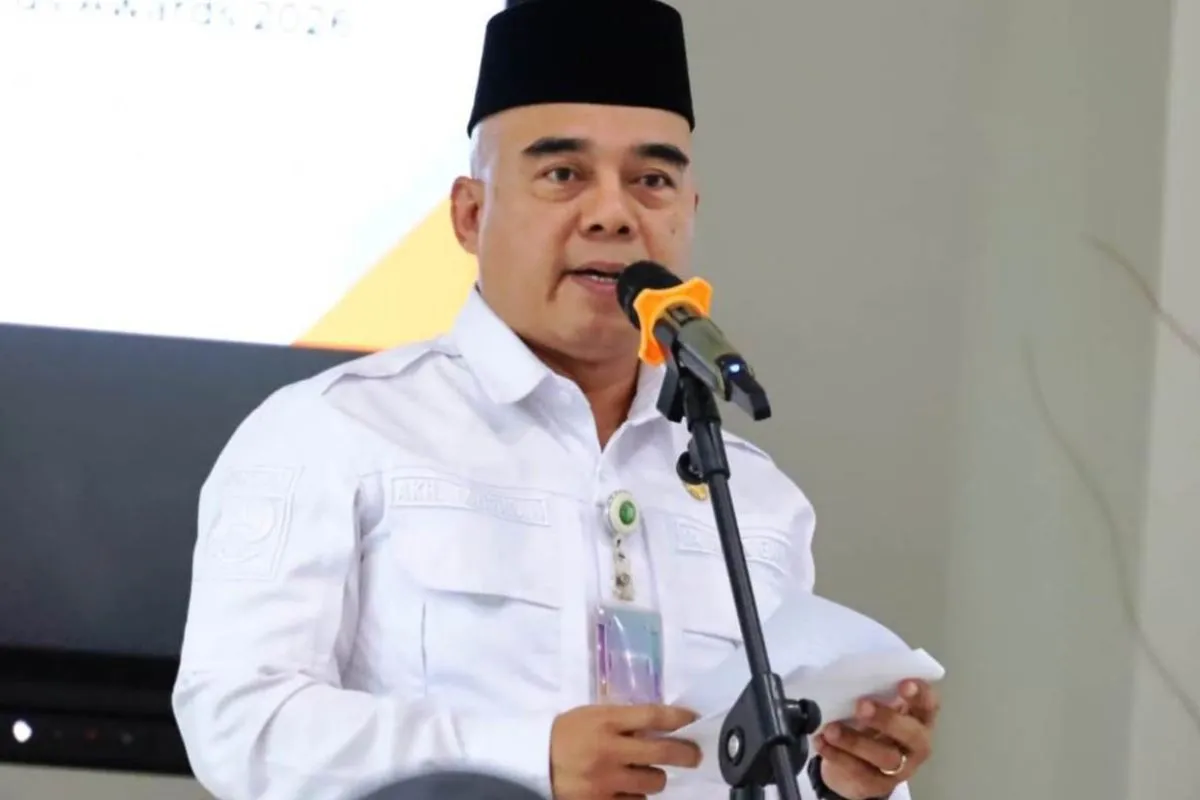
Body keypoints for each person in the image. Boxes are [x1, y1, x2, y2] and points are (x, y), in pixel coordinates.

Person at [171, 1, 940, 799]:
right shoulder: (334, 432)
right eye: (563, 174)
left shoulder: (753, 497)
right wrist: (527, 755)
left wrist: (845, 781)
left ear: (689, 213)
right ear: (471, 214)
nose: (612, 215)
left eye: (651, 181)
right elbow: (240, 721)